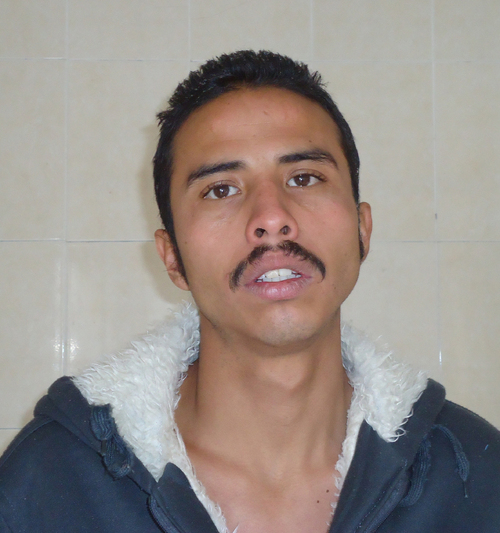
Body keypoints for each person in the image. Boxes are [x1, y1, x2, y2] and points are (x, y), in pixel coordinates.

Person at [0, 50, 499, 533]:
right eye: (221, 189)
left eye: (304, 178)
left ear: (362, 230)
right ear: (172, 256)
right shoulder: (47, 484)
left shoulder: (476, 478)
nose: (272, 217)